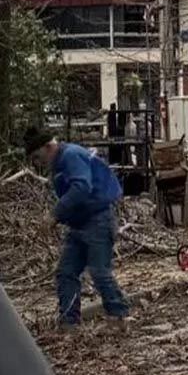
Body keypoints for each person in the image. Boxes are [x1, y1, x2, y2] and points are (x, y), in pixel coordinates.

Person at [23, 127, 130, 329]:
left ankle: (118, 316)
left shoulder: (70, 155)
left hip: (98, 219)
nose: (37, 163)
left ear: (49, 147)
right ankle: (69, 322)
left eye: (37, 157)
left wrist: (55, 214)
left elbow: (81, 187)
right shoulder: (60, 162)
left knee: (99, 271)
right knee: (66, 272)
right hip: (79, 223)